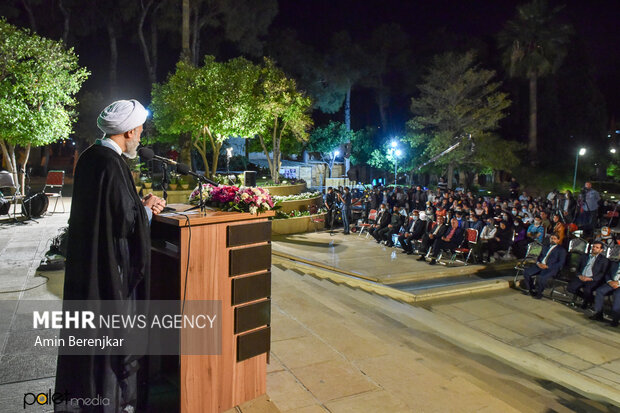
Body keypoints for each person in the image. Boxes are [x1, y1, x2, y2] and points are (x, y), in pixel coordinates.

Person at [55, 100, 166, 412]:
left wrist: (137, 206)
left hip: (86, 267)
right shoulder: (112, 163)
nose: (141, 136)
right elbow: (123, 225)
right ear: (129, 130)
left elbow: (108, 213)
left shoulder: (92, 156)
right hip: (108, 275)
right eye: (140, 130)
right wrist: (146, 210)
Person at [521, 234, 567, 299]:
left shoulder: (561, 250)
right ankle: (530, 289)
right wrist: (538, 263)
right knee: (526, 272)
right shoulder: (545, 247)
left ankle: (539, 293)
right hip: (540, 265)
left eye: (554, 239)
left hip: (551, 268)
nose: (552, 240)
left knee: (542, 277)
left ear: (558, 240)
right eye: (551, 238)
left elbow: (561, 263)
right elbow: (539, 256)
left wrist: (548, 266)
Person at [567, 241, 608, 309]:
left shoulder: (604, 260)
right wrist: (579, 275)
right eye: (593, 247)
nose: (594, 248)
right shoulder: (584, 256)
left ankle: (586, 302)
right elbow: (577, 267)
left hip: (592, 279)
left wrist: (591, 278)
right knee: (570, 288)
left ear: (601, 250)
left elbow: (602, 273)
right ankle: (590, 299)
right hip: (581, 277)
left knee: (587, 290)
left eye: (597, 247)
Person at [590, 261, 620, 327]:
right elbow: (608, 274)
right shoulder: (615, 263)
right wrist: (610, 281)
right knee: (600, 291)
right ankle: (598, 314)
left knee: (617, 295)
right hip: (611, 283)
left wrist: (618, 283)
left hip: (619, 284)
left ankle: (615, 320)